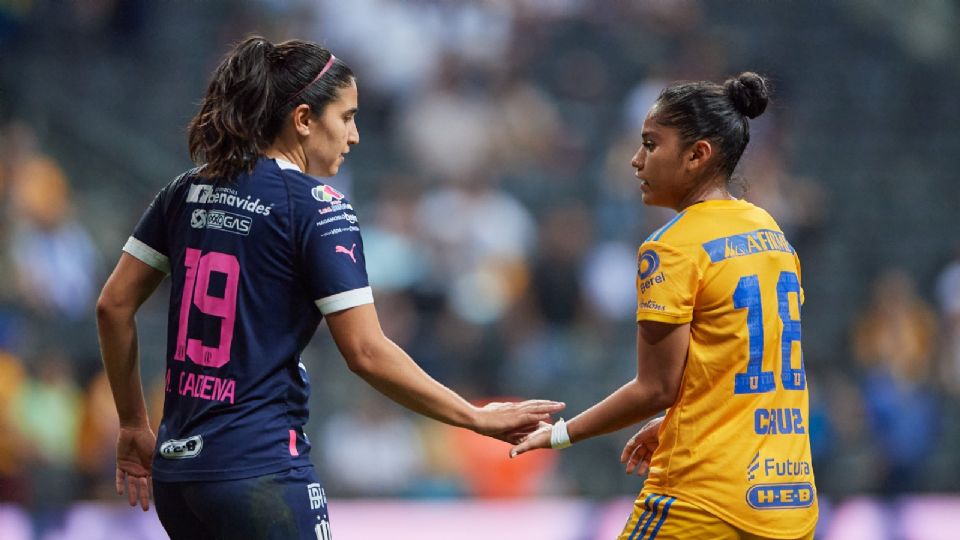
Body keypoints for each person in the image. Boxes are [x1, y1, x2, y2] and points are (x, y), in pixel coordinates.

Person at [95, 36, 563, 539]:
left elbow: (113, 305)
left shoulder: (184, 190)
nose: (355, 135)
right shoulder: (317, 205)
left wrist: (132, 425)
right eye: (347, 117)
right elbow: (364, 351)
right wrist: (472, 416)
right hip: (261, 472)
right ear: (303, 120)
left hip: (179, 477)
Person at [511, 72, 818, 540]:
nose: (636, 161)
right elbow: (744, 360)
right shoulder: (770, 232)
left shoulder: (672, 247)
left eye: (651, 145)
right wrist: (679, 419)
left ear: (697, 155)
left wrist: (560, 433)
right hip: (787, 500)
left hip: (701, 500)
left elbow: (656, 387)